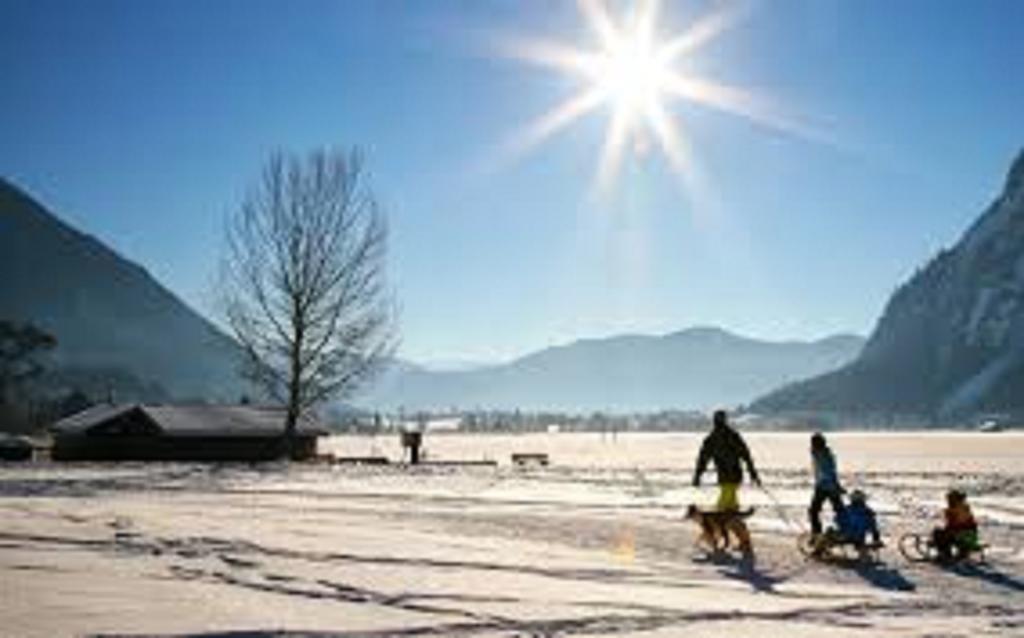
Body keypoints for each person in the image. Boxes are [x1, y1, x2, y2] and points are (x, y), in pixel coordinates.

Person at [692, 410, 762, 513]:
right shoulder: (731, 436)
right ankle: (733, 523)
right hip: (733, 474)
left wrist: (697, 475)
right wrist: (753, 473)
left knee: (725, 501)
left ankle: (723, 524)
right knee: (730, 498)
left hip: (728, 475)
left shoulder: (713, 439)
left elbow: (703, 459)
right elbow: (746, 456)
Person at [808, 432, 845, 537]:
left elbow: (828, 472)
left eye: (813, 443)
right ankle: (844, 531)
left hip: (824, 487)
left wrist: (834, 485)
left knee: (813, 511)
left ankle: (817, 535)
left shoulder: (822, 455)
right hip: (829, 486)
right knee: (840, 511)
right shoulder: (824, 454)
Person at [932, 489, 979, 562]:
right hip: (968, 535)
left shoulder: (958, 509)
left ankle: (945, 554)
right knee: (942, 533)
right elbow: (954, 525)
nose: (948, 502)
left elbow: (957, 525)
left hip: (965, 536)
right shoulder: (962, 508)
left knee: (939, 534)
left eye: (950, 500)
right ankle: (948, 553)